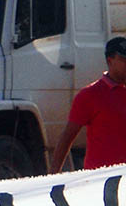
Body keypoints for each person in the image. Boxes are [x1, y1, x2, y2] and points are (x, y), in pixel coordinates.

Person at [50, 36, 126, 173]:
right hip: (100, 179)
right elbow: (67, 137)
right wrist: (52, 176)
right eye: (124, 60)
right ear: (110, 61)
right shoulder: (90, 95)